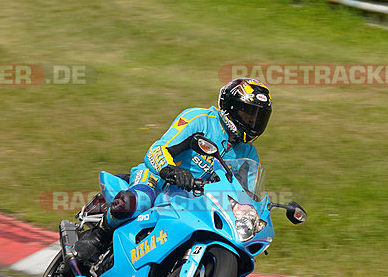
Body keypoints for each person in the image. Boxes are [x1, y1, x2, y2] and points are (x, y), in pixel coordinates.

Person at [73, 77, 272, 260]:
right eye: (247, 113)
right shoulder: (200, 119)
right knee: (136, 201)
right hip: (158, 180)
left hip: (198, 202)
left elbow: (245, 195)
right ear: (229, 107)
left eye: (257, 117)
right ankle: (98, 237)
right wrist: (170, 170)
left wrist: (254, 216)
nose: (252, 121)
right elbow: (157, 149)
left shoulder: (248, 153)